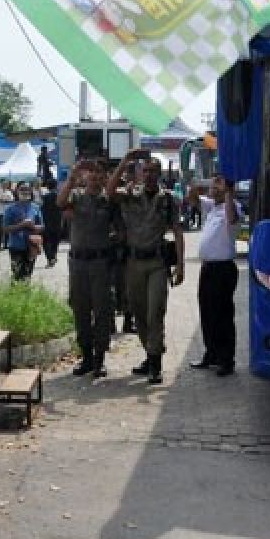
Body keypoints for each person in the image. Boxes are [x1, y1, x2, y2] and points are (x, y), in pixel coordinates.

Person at [107, 151, 186, 385]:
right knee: (139, 314)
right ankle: (149, 353)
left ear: (160, 175)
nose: (150, 175)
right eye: (146, 171)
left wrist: (181, 265)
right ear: (141, 173)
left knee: (155, 313)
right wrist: (125, 160)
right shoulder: (130, 195)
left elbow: (178, 232)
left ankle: (155, 364)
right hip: (133, 263)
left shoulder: (169, 199)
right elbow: (109, 192)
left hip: (157, 264)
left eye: (154, 171)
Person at [58, 160, 114, 378]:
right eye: (91, 174)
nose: (95, 177)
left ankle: (100, 358)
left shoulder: (108, 200)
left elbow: (119, 228)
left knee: (101, 310)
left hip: (100, 263)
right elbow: (59, 202)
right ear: (85, 176)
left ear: (104, 177)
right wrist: (72, 176)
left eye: (99, 174)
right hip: (78, 263)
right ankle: (86, 357)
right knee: (80, 309)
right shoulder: (76, 196)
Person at [188, 176, 242, 377]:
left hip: (223, 269)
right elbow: (191, 198)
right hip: (208, 268)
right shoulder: (211, 206)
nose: (212, 186)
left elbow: (232, 219)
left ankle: (226, 360)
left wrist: (228, 191)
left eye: (217, 183)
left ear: (227, 188)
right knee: (207, 313)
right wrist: (199, 183)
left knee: (223, 316)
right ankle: (211, 353)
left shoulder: (232, 206)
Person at [1, 181, 44, 280]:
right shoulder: (10, 209)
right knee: (17, 275)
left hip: (32, 246)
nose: (25, 191)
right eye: (22, 189)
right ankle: (15, 294)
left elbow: (42, 227)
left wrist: (32, 226)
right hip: (16, 246)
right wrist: (22, 225)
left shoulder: (36, 207)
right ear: (16, 191)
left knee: (28, 274)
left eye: (27, 189)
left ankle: (26, 294)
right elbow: (5, 229)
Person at [39, 177, 62, 268]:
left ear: (48, 187)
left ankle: (50, 258)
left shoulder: (45, 198)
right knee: (55, 241)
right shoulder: (60, 196)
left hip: (46, 222)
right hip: (57, 222)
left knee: (46, 242)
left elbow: (41, 209)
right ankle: (54, 256)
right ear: (56, 186)